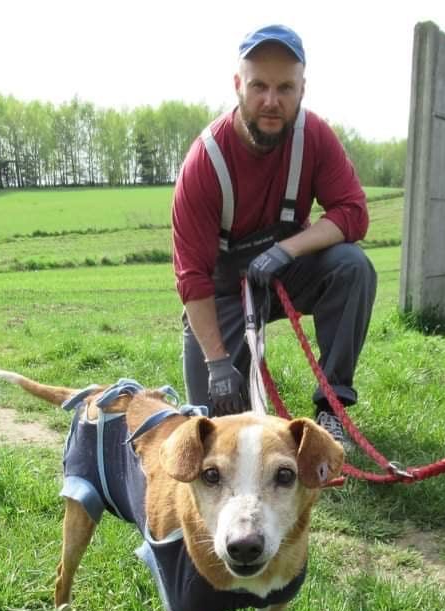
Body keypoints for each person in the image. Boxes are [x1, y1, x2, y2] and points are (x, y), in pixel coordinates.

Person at [172, 23, 377, 448]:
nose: (271, 101)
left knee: (352, 266)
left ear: (302, 89)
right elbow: (192, 278)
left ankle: (331, 410)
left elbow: (353, 214)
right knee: (215, 429)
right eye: (259, 86)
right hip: (224, 292)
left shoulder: (315, 136)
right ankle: (230, 382)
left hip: (285, 274)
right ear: (237, 86)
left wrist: (287, 249)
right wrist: (217, 364)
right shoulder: (204, 163)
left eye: (285, 87)